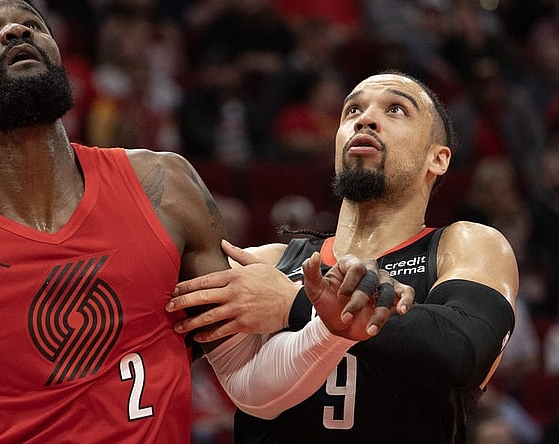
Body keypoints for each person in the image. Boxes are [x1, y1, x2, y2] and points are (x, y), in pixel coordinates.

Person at [0, 1, 403, 443]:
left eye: (31, 23)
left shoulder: (166, 187)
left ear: (60, 57)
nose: (17, 31)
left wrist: (328, 334)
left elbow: (247, 383)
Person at [168, 71, 519, 443]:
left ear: (438, 158)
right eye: (352, 109)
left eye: (396, 109)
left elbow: (464, 352)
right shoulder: (268, 263)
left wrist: (296, 304)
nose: (364, 118)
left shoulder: (463, 244)